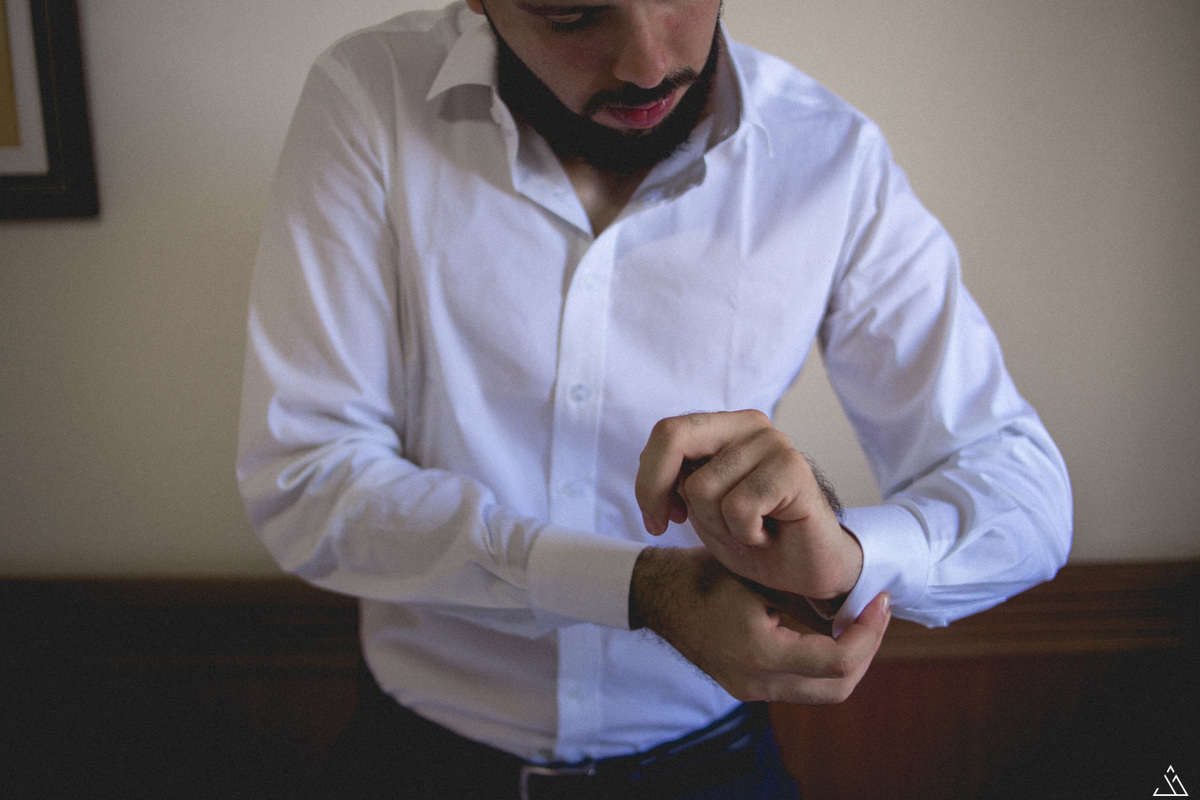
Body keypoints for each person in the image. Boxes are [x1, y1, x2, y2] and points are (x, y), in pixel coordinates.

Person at [237, 0, 1073, 796]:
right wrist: (638, 589)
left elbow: (1023, 491)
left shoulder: (831, 159)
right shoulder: (369, 97)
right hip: (416, 764)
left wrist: (849, 558)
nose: (649, 64)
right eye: (573, 14)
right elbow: (307, 476)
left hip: (714, 770)